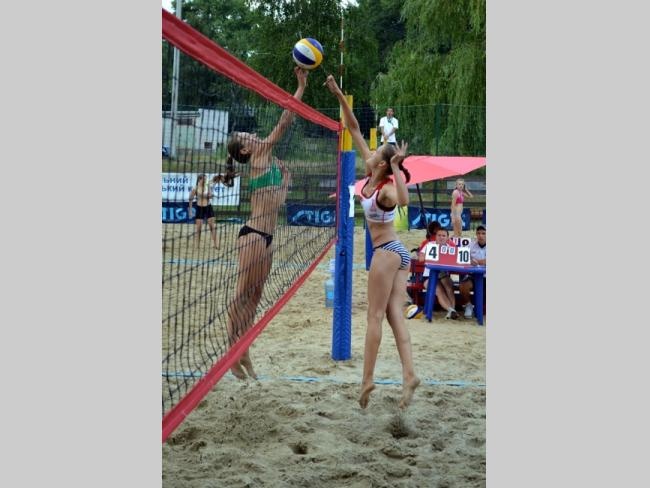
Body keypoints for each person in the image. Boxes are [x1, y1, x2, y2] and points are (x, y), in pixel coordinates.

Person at [325, 74, 419, 410]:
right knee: (394, 316)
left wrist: (395, 166)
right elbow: (352, 127)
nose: (370, 149)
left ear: (381, 162)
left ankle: (366, 380)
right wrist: (339, 94)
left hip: (387, 252)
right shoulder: (370, 172)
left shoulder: (386, 189)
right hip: (397, 254)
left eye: (376, 149)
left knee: (374, 317)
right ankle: (410, 375)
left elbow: (404, 201)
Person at [225, 66, 307, 380]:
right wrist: (300, 88)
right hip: (253, 235)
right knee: (241, 294)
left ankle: (243, 349)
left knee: (257, 295)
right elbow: (284, 122)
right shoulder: (259, 156)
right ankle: (231, 352)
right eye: (249, 137)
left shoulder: (268, 162)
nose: (255, 136)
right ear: (246, 149)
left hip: (268, 237)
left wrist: (285, 181)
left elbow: (278, 203)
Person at [420, 228, 459, 320]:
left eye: (443, 236)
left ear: (447, 238)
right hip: (429, 275)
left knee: (449, 286)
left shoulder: (450, 248)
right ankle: (451, 310)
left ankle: (452, 311)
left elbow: (457, 261)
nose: (441, 237)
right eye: (439, 235)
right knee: (438, 290)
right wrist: (433, 257)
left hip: (443, 274)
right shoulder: (430, 245)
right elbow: (421, 258)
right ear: (435, 237)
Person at [458, 225, 487, 318]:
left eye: (483, 233)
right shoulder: (471, 245)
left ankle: (479, 307)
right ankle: (468, 305)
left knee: (482, 311)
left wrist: (477, 261)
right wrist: (470, 261)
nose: (481, 235)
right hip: (473, 275)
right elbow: (463, 258)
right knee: (463, 286)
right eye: (478, 233)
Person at [188, 174, 219, 249]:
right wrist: (190, 211)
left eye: (206, 179)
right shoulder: (195, 188)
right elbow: (190, 199)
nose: (205, 181)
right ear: (199, 180)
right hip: (199, 208)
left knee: (212, 227)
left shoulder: (207, 187)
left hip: (208, 207)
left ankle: (216, 244)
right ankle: (197, 245)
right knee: (199, 228)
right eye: (204, 179)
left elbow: (210, 196)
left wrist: (211, 195)